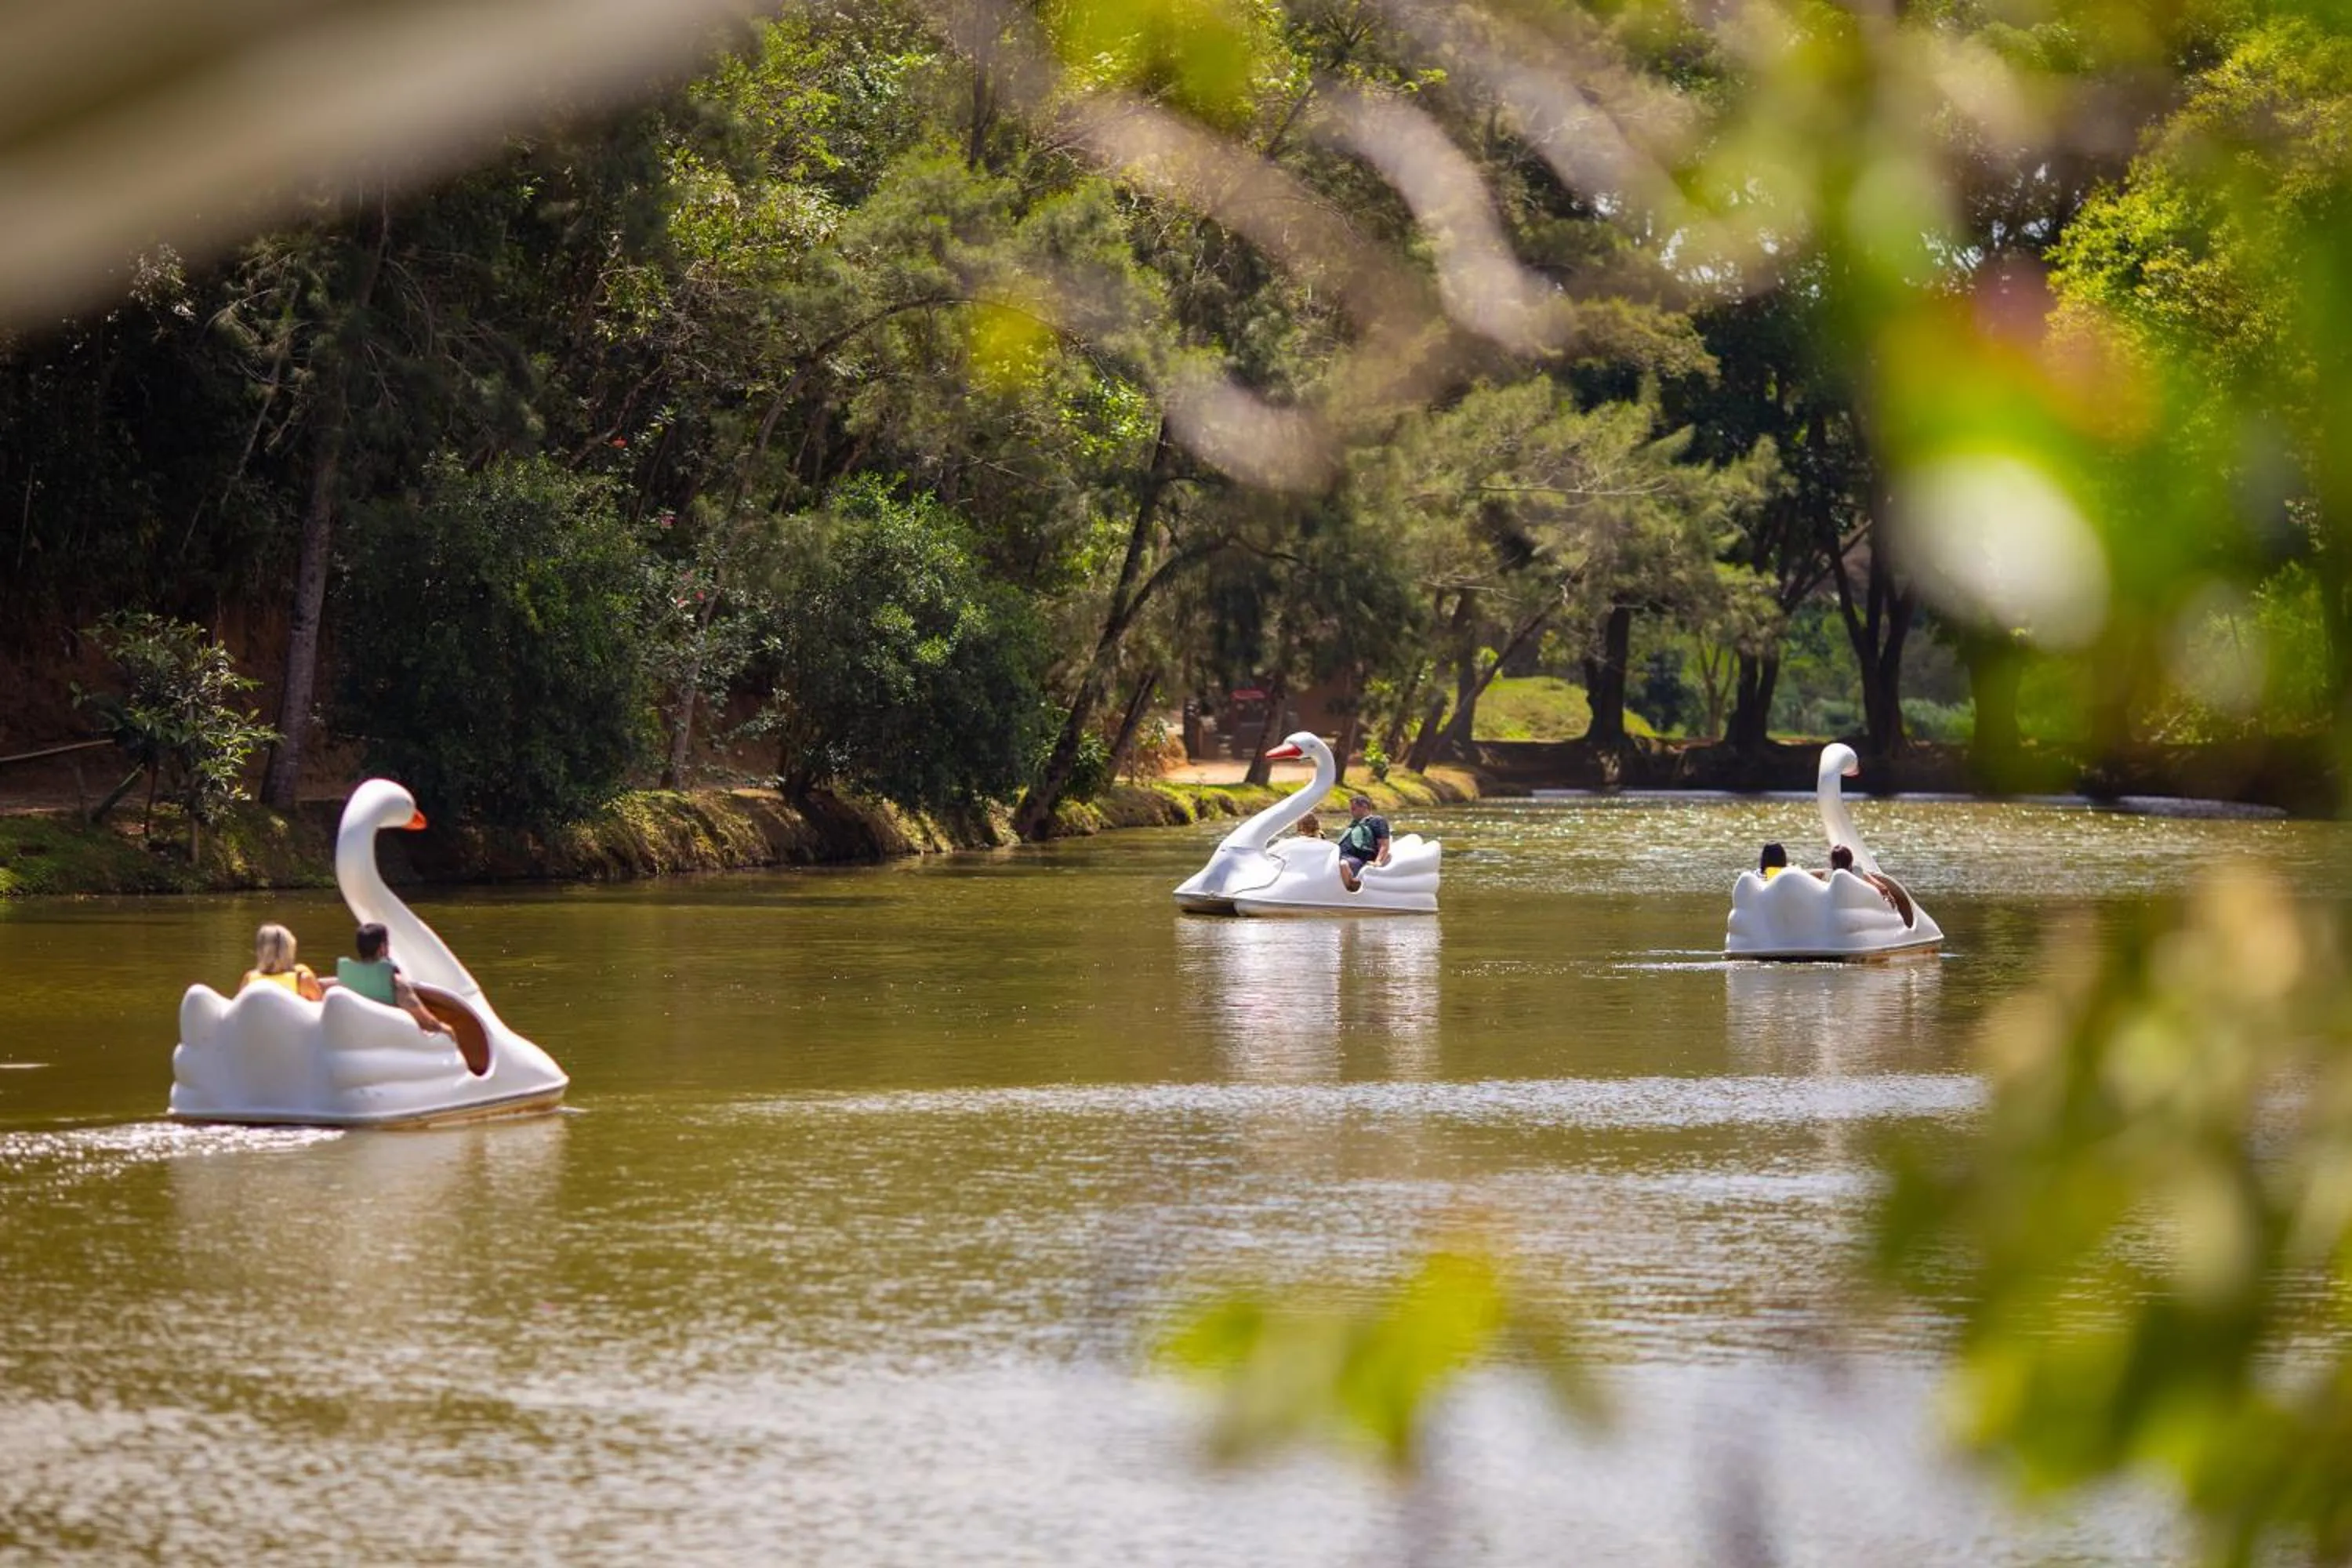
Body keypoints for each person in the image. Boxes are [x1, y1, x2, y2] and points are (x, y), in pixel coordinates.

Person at [325, 921, 452, 1036]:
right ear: (382, 948)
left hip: (356, 1037)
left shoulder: (343, 981)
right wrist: (446, 1030)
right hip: (389, 1039)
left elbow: (319, 984)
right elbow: (427, 1023)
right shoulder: (396, 983)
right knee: (448, 1032)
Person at [238, 923, 323, 1001]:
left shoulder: (249, 979)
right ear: (289, 949)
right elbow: (322, 1010)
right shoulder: (303, 980)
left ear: (260, 951)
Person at [1336, 793, 1391, 891]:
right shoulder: (1354, 824)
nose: (1350, 812)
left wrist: (1378, 862)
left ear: (1364, 807)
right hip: (1339, 855)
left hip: (1357, 859)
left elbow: (1384, 844)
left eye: (1353, 809)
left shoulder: (1377, 821)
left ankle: (1352, 887)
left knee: (1342, 864)